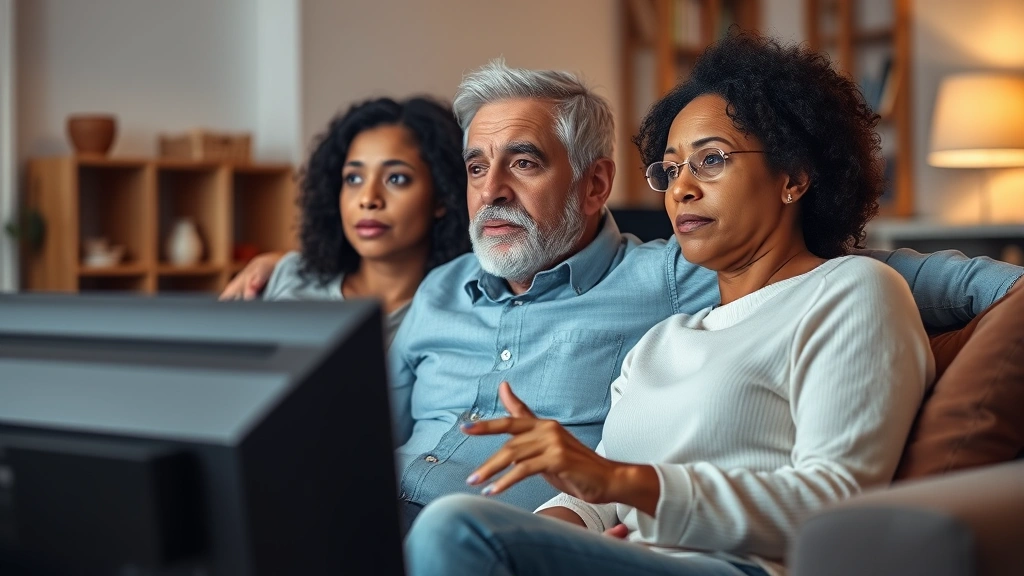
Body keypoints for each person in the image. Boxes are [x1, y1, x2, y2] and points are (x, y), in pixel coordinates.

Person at [225, 59, 1021, 535]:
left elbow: (866, 269)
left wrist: (1010, 287)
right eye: (475, 168)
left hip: (493, 532)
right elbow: (368, 433)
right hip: (370, 516)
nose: (491, 191)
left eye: (523, 163)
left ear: (595, 182)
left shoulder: (677, 276)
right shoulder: (438, 290)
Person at [403, 33, 938, 576]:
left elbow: (836, 503)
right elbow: (595, 501)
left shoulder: (852, 292)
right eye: (671, 169)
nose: (680, 189)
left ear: (794, 176)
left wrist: (620, 483)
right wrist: (557, 519)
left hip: (743, 567)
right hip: (632, 560)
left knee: (458, 525)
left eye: (710, 161)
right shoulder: (664, 340)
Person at [220, 97, 469, 346]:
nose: (368, 199)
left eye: (396, 179)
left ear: (443, 196)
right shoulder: (287, 276)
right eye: (353, 179)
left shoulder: (462, 314)